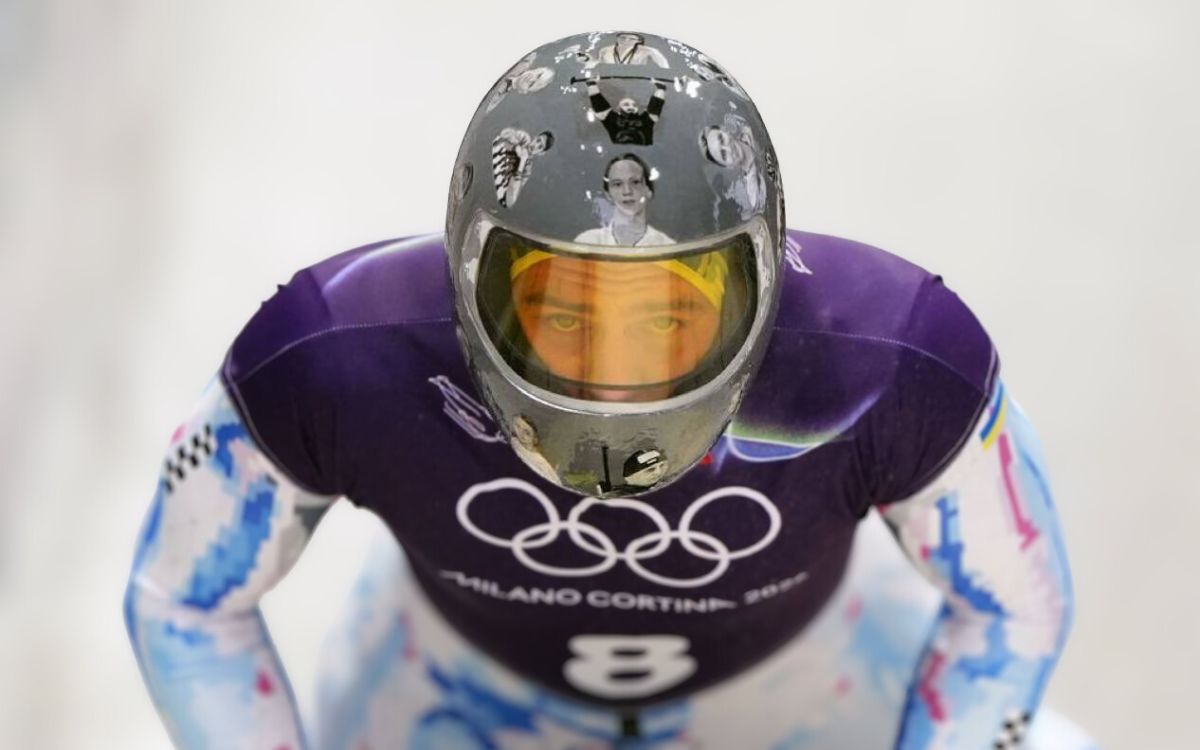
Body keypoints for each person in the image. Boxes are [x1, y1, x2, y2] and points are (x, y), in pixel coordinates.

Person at [124, 31, 1099, 749]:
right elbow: (1013, 610)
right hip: (809, 680)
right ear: (467, 278)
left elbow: (185, 602)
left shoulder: (335, 351)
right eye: (564, 313)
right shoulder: (894, 356)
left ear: (765, 283)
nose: (616, 384)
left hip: (442, 688)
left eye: (668, 319)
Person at [574, 153, 673, 247]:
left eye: (635, 182)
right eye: (617, 184)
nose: (627, 191)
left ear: (649, 190)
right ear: (608, 195)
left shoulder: (666, 246)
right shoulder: (586, 243)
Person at [586, 75, 668, 145]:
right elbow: (599, 104)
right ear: (618, 108)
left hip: (643, 152)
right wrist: (592, 85)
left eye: (634, 105)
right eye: (626, 104)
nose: (631, 107)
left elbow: (655, 106)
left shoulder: (645, 119)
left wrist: (661, 88)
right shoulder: (613, 119)